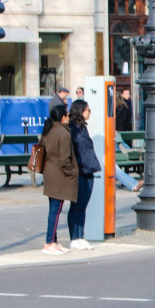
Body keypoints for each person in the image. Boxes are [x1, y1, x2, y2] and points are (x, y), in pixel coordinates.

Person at [40, 105, 78, 255]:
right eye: (67, 115)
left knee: (53, 209)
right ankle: (49, 242)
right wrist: (72, 171)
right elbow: (64, 159)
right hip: (59, 175)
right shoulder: (64, 133)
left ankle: (53, 240)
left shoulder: (48, 130)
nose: (68, 117)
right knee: (55, 211)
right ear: (63, 117)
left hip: (49, 173)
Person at [66, 100, 101, 250]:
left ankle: (81, 235)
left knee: (83, 205)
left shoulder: (82, 128)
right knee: (76, 204)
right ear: (80, 111)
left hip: (89, 168)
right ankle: (74, 237)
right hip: (79, 169)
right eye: (88, 110)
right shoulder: (72, 129)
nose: (90, 112)